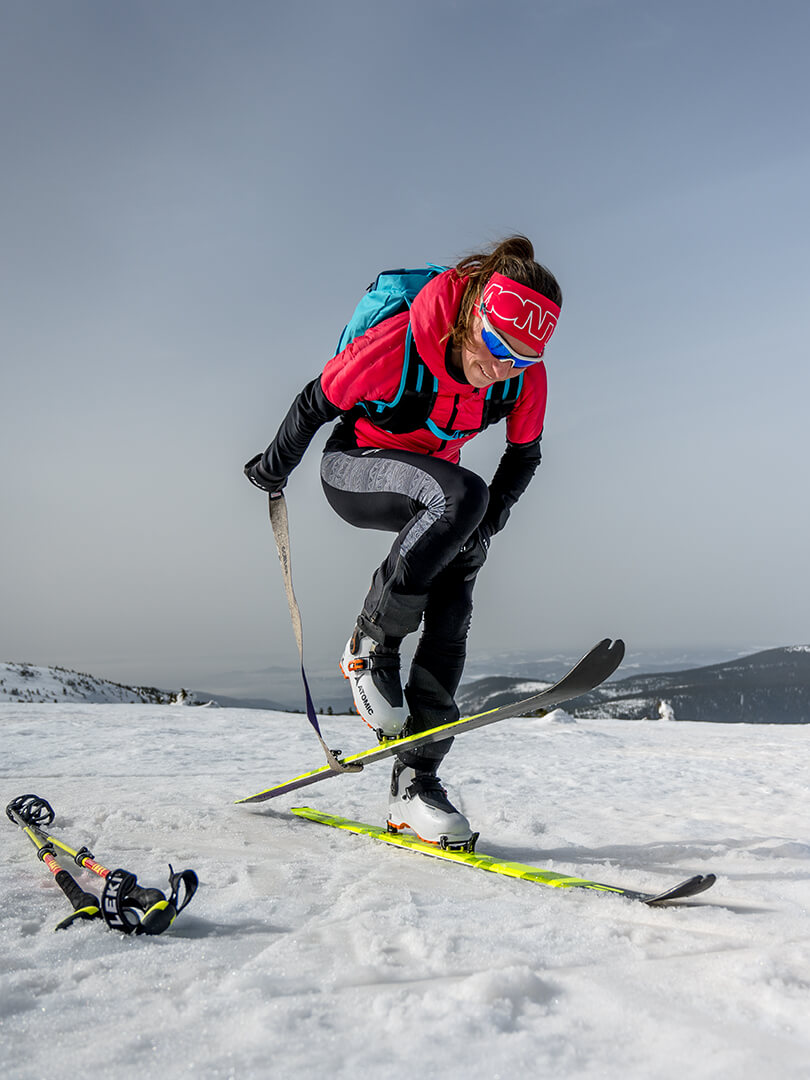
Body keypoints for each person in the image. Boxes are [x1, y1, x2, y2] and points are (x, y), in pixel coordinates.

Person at [245, 235, 562, 848]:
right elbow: (315, 401)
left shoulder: (522, 377)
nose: (502, 369)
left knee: (465, 558)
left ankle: (417, 784)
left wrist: (483, 528)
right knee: (464, 497)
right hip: (356, 467)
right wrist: (272, 469)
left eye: (520, 359)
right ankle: (370, 641)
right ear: (473, 314)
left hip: (437, 491)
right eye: (497, 348)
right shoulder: (400, 344)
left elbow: (525, 455)